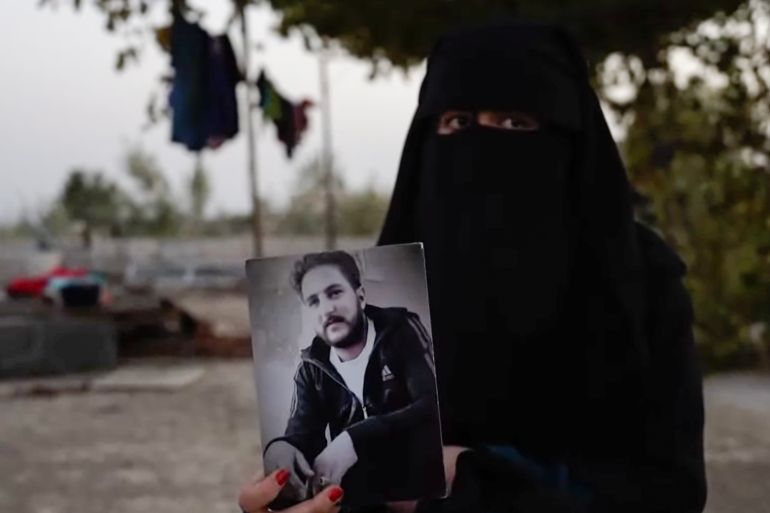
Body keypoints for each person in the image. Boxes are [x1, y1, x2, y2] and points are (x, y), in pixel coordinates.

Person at [240, 20, 706, 513]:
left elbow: (669, 493)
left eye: (514, 123)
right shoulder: (351, 331)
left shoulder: (639, 283)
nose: (484, 150)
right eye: (458, 123)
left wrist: (475, 480)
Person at [262, 251, 444, 508]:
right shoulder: (310, 369)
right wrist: (279, 449)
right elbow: (302, 435)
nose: (327, 308)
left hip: (421, 497)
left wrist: (354, 439)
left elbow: (431, 407)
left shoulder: (401, 329)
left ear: (360, 296)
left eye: (335, 293)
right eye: (314, 301)